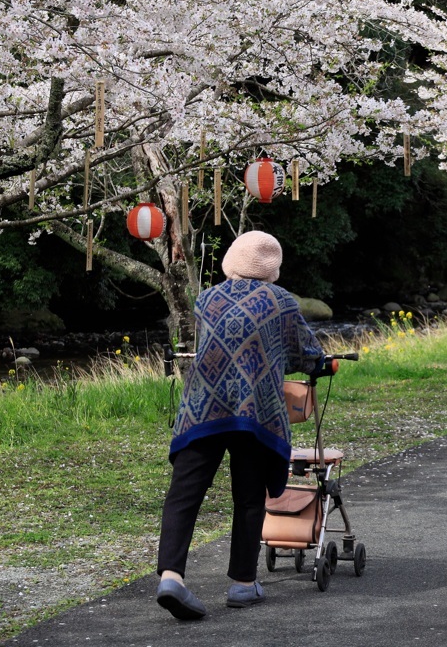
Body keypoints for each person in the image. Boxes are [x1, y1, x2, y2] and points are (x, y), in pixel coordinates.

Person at [156, 230, 324, 619]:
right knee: (248, 496)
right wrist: (321, 363)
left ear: (232, 260)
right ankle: (243, 585)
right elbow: (305, 352)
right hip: (254, 413)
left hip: (202, 409)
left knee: (184, 495)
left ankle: (171, 577)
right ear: (272, 268)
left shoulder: (206, 299)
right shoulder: (281, 302)